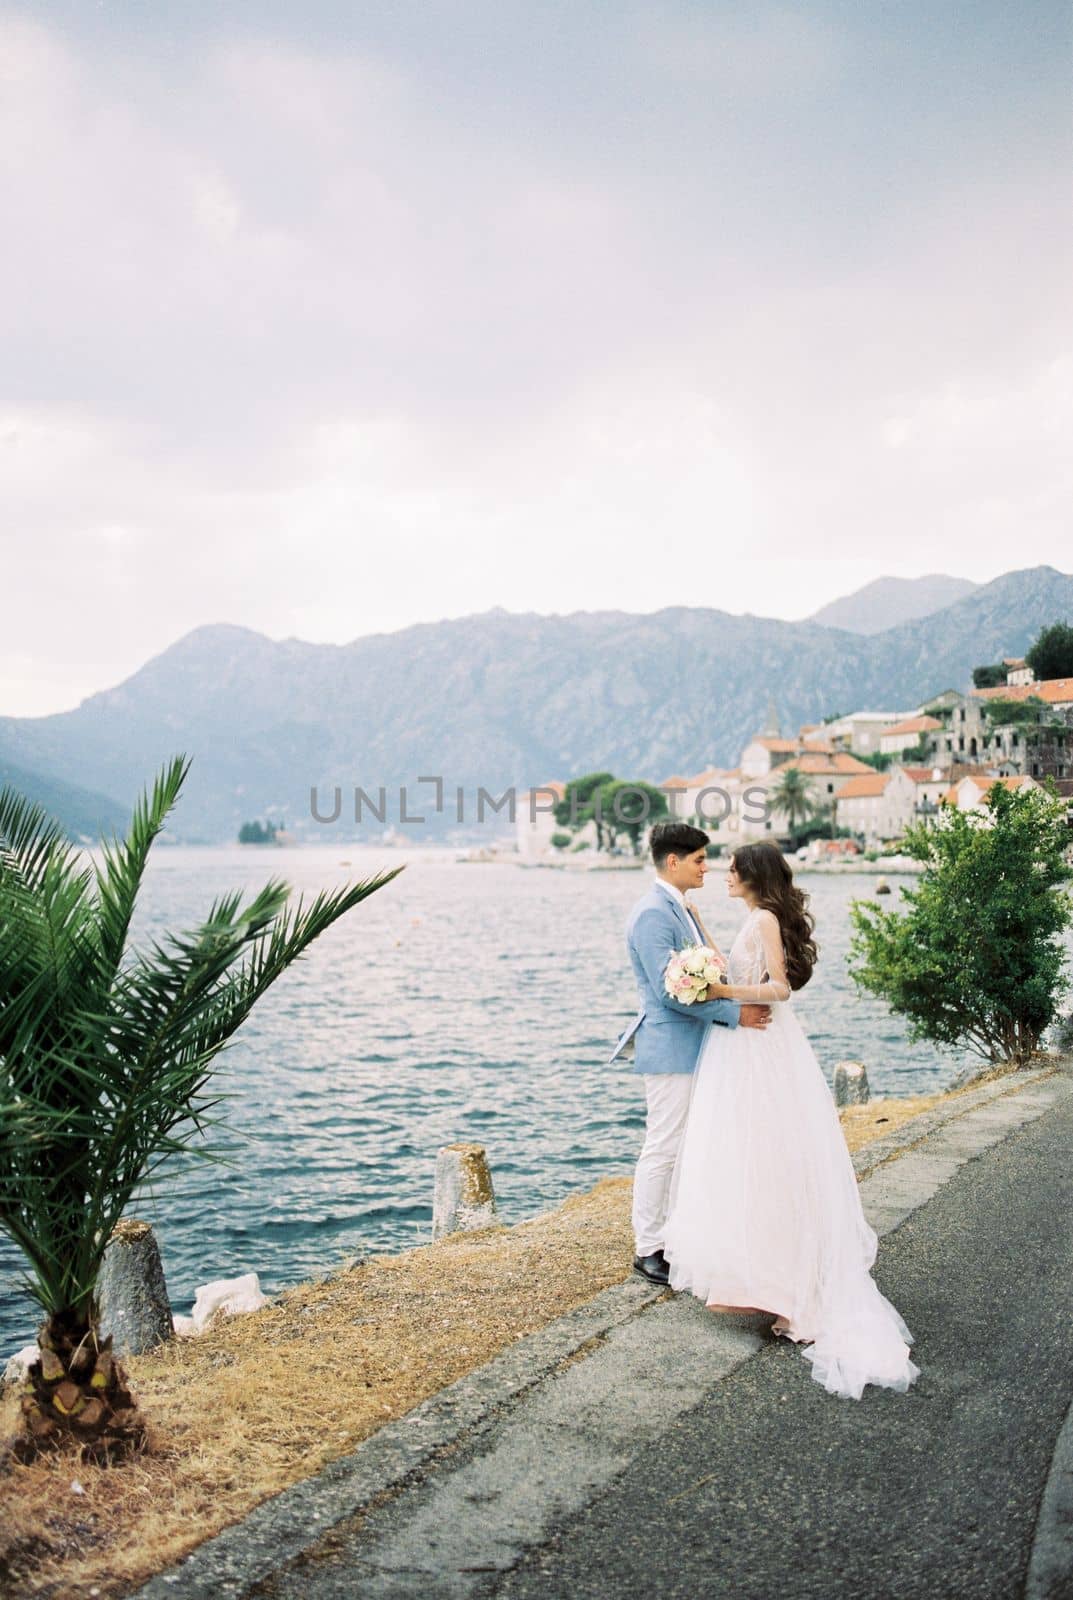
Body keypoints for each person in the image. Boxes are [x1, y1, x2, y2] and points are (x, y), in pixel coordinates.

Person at [663, 840, 919, 1400]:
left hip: (762, 1050)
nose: (725, 875)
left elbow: (779, 989)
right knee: (752, 1161)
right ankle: (767, 1279)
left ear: (753, 875)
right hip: (745, 1049)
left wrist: (719, 989)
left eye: (732, 870)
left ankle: (795, 1289)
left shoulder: (766, 920)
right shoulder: (753, 918)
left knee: (771, 1159)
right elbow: (749, 968)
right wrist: (705, 948)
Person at [610, 822, 772, 1287]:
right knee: (663, 1147)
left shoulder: (679, 908)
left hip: (695, 1046)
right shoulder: (652, 914)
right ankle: (647, 1248)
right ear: (673, 861)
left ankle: (675, 1236)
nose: (708, 866)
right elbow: (669, 992)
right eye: (700, 859)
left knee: (686, 1146)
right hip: (671, 1047)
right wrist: (733, 1015)